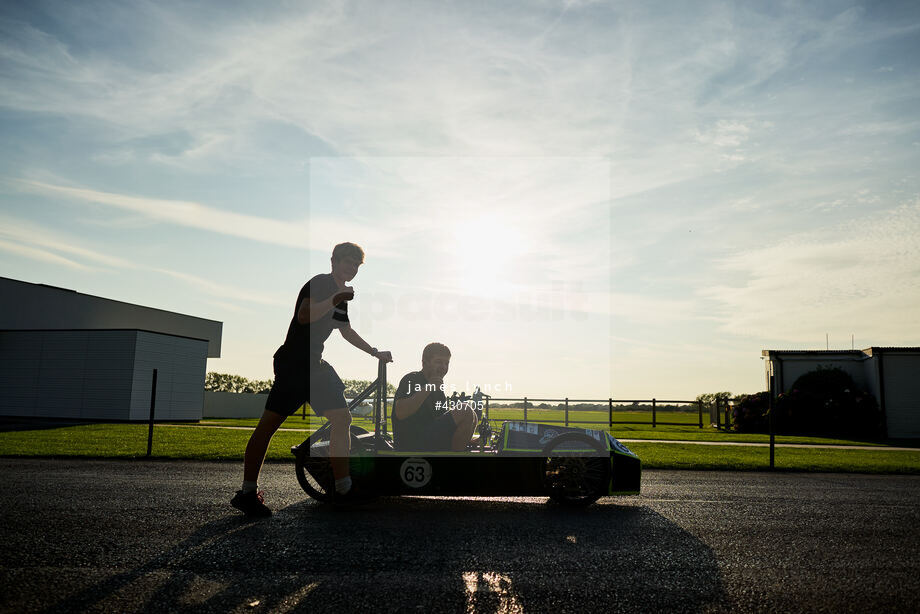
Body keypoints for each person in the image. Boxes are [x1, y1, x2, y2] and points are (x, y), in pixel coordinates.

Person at [231, 242, 392, 516]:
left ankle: (343, 488)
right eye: (347, 262)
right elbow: (304, 316)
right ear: (334, 261)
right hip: (294, 364)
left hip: (315, 366)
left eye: (356, 264)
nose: (351, 268)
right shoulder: (320, 284)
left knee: (342, 418)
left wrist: (374, 352)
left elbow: (345, 330)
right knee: (268, 426)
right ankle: (247, 492)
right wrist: (335, 298)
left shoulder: (340, 295)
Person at [391, 342, 477, 452]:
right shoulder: (411, 379)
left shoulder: (438, 390)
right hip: (411, 442)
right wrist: (428, 387)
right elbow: (400, 413)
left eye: (446, 363)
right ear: (424, 362)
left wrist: (465, 437)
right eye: (438, 362)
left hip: (429, 439)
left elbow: (442, 421)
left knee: (473, 415)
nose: (443, 367)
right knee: (465, 410)